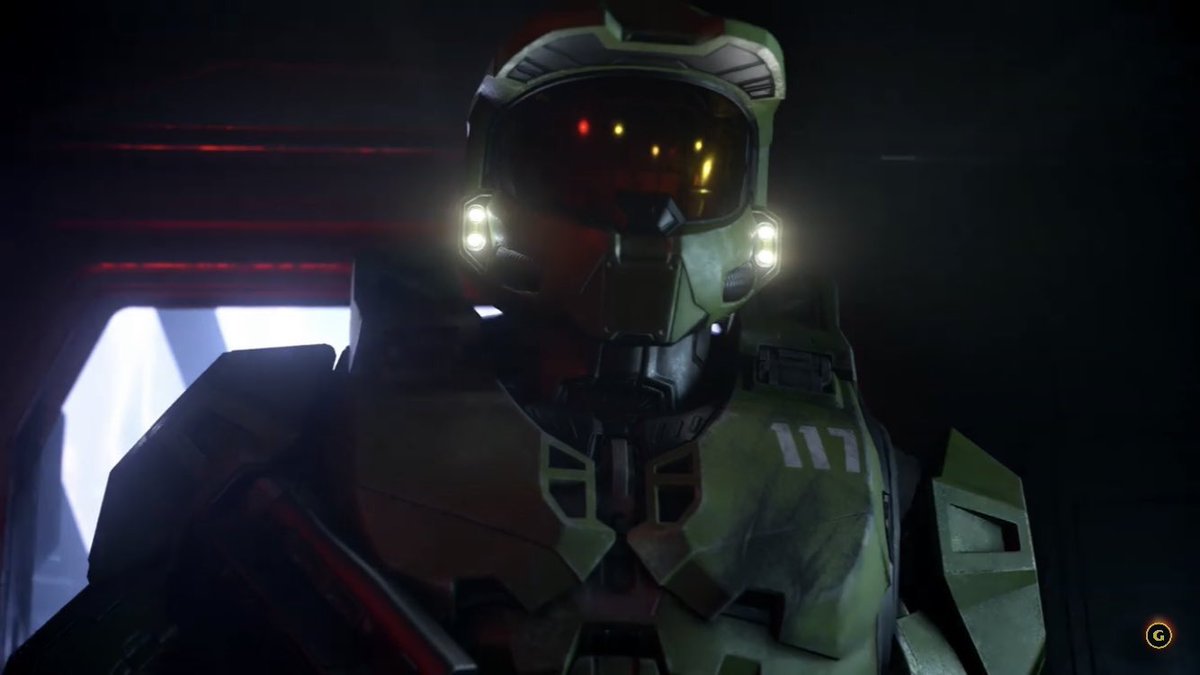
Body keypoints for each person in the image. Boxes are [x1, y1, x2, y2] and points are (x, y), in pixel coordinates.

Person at [5, 2, 1045, 673]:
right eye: (596, 153)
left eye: (686, 162)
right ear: (499, 172)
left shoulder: (887, 478)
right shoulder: (277, 429)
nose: (649, 204)